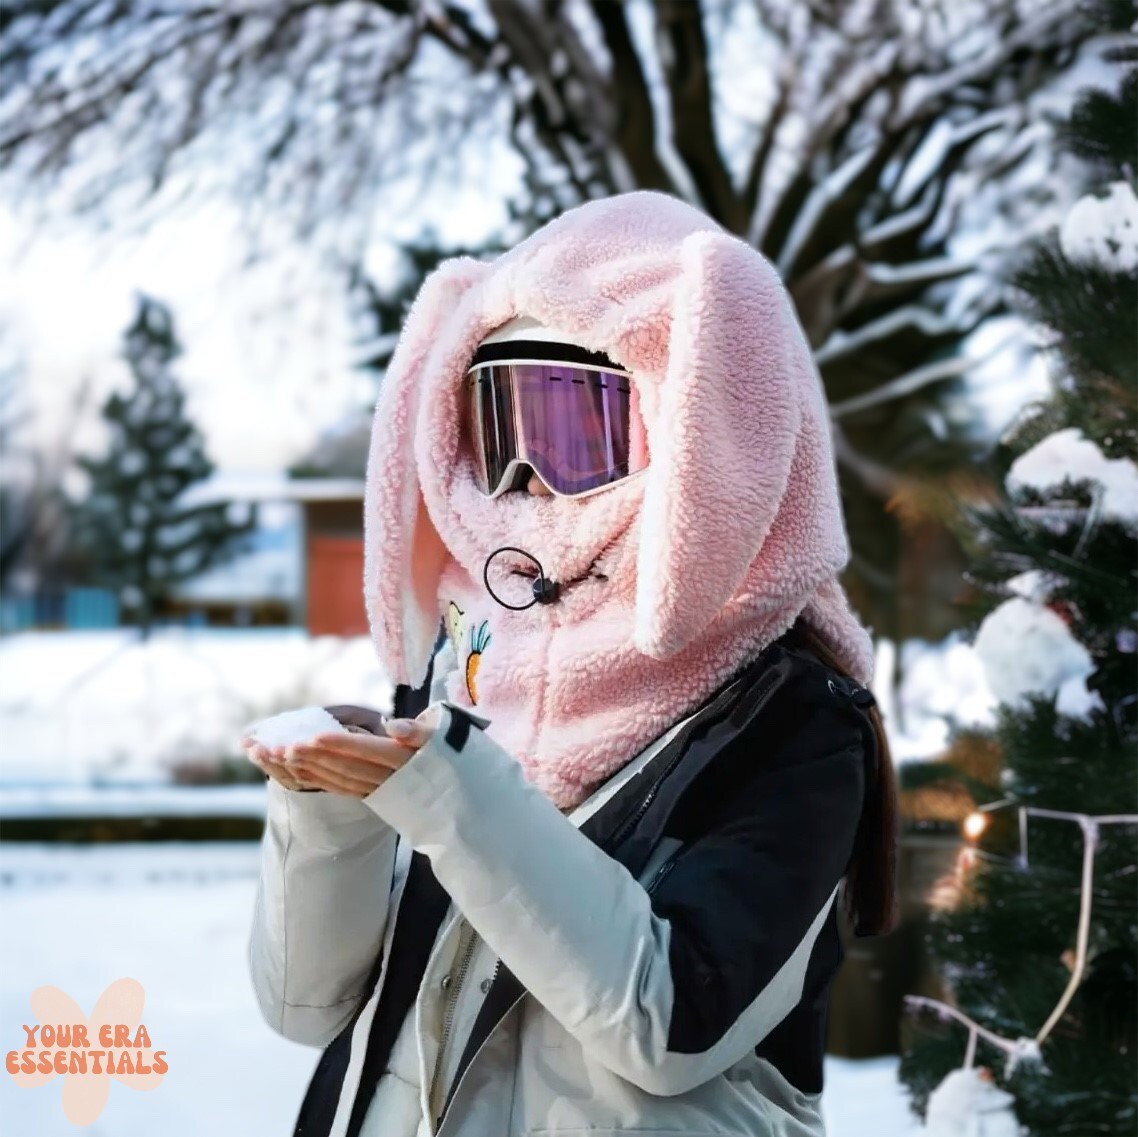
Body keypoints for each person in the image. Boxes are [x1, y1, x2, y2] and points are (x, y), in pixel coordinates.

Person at [244, 190, 900, 1137]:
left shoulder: (794, 722)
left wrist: (454, 798)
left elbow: (667, 1021)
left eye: (573, 434)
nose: (524, 485)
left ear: (705, 434)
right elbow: (306, 1005)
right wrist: (326, 810)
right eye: (499, 433)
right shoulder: (466, 672)